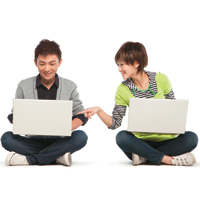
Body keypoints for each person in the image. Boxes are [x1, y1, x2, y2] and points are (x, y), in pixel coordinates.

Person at [79, 41, 198, 166]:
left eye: (122, 65)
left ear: (136, 63)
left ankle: (144, 157)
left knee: (191, 138)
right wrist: (99, 110)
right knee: (122, 137)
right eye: (118, 65)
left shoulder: (162, 79)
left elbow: (173, 110)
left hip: (167, 141)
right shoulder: (123, 89)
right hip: (140, 142)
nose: (119, 69)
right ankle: (169, 159)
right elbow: (114, 124)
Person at [1, 39, 88, 166]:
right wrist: (22, 121)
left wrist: (64, 128)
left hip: (60, 140)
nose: (47, 69)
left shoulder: (70, 86)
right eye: (42, 64)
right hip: (32, 140)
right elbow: (14, 115)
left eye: (52, 64)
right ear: (35, 63)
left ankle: (31, 159)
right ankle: (58, 157)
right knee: (6, 138)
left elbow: (81, 115)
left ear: (60, 62)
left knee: (81, 136)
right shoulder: (23, 85)